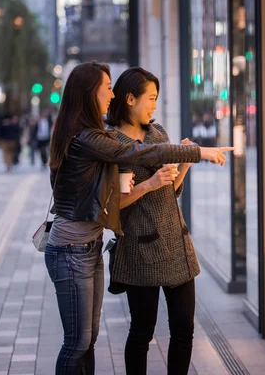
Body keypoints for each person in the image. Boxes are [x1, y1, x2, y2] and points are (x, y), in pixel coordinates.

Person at [44, 61, 231, 375]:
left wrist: (182, 163)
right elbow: (141, 154)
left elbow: (161, 180)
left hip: (92, 246)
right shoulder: (94, 139)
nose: (111, 94)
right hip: (79, 247)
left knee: (87, 340)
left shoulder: (102, 135)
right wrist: (197, 152)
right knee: (81, 342)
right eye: (106, 88)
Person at [105, 67, 201, 375]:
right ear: (130, 99)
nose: (154, 106)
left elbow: (169, 190)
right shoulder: (114, 144)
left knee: (184, 329)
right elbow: (116, 204)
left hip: (176, 243)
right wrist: (151, 183)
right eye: (151, 98)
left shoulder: (157, 134)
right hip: (139, 249)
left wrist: (183, 163)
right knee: (142, 332)